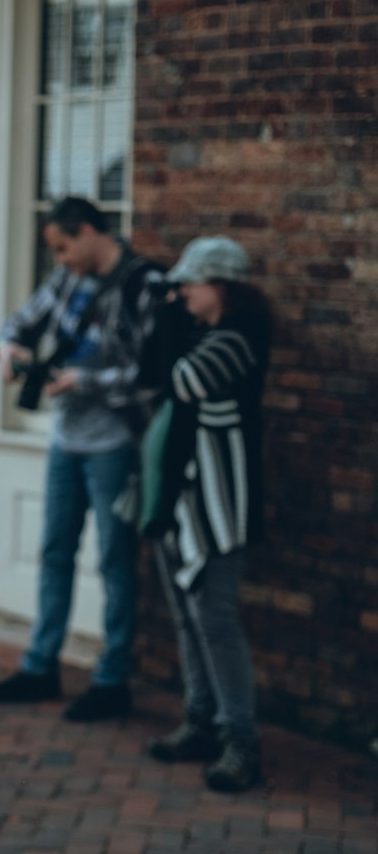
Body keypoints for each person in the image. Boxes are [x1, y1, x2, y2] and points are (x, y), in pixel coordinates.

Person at [0, 196, 161, 721]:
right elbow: (17, 322)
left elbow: (151, 375)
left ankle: (113, 679)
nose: (59, 259)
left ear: (85, 231)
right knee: (55, 552)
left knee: (114, 559)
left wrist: (85, 379)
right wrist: (7, 348)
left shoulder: (144, 284)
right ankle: (40, 667)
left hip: (114, 445)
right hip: (66, 440)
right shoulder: (67, 281)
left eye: (62, 247)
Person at [140, 236, 270, 792]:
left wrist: (166, 318)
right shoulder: (202, 332)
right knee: (188, 619)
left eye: (189, 284)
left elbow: (179, 381)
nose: (181, 294)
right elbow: (153, 370)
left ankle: (239, 739)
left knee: (215, 620)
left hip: (218, 503)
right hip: (177, 499)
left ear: (220, 285)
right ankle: (200, 720)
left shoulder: (238, 339)